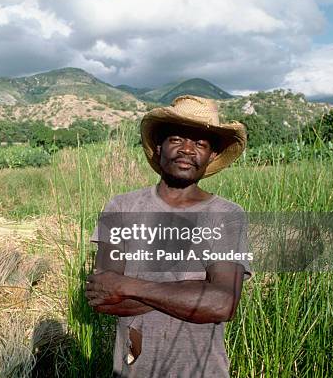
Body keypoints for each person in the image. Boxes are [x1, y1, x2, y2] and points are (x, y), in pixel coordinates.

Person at [86, 95, 251, 377]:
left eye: (200, 143)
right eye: (177, 139)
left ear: (211, 155)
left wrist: (126, 285)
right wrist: (193, 290)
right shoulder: (121, 208)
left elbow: (222, 303)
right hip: (132, 370)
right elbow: (101, 298)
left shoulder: (227, 215)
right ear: (159, 147)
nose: (187, 149)